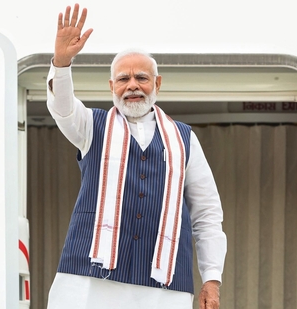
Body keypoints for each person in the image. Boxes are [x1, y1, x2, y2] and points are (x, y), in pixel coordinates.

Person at [45, 4, 227, 309]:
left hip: (164, 284)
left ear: (157, 84)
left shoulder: (185, 139)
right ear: (111, 87)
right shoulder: (91, 125)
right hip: (89, 279)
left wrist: (212, 278)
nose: (132, 86)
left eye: (141, 78)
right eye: (123, 79)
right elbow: (62, 108)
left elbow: (207, 213)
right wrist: (61, 64)